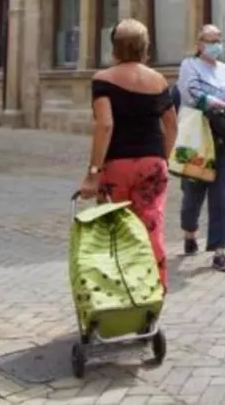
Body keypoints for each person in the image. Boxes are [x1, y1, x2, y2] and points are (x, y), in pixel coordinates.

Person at [79, 20, 177, 288]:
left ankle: (119, 292)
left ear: (115, 48)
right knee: (151, 226)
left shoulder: (103, 79)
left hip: (117, 164)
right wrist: (163, 157)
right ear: (145, 47)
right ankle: (154, 289)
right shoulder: (158, 80)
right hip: (153, 162)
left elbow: (105, 124)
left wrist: (92, 173)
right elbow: (171, 123)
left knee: (115, 228)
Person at [176, 24, 225, 272]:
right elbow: (190, 93)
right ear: (199, 44)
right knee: (193, 192)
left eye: (219, 40)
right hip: (197, 136)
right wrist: (214, 101)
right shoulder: (190, 66)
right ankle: (189, 231)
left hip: (224, 137)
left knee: (221, 194)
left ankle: (219, 250)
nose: (216, 45)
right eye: (210, 40)